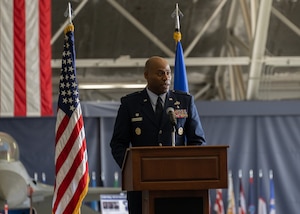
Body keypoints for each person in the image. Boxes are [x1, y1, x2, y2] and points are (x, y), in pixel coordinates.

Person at [110, 56, 206, 214]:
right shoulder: (130, 104)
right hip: (141, 188)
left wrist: (188, 170)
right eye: (160, 73)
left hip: (178, 185)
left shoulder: (185, 102)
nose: (166, 78)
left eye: (168, 73)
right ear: (146, 75)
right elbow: (118, 144)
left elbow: (198, 141)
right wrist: (131, 170)